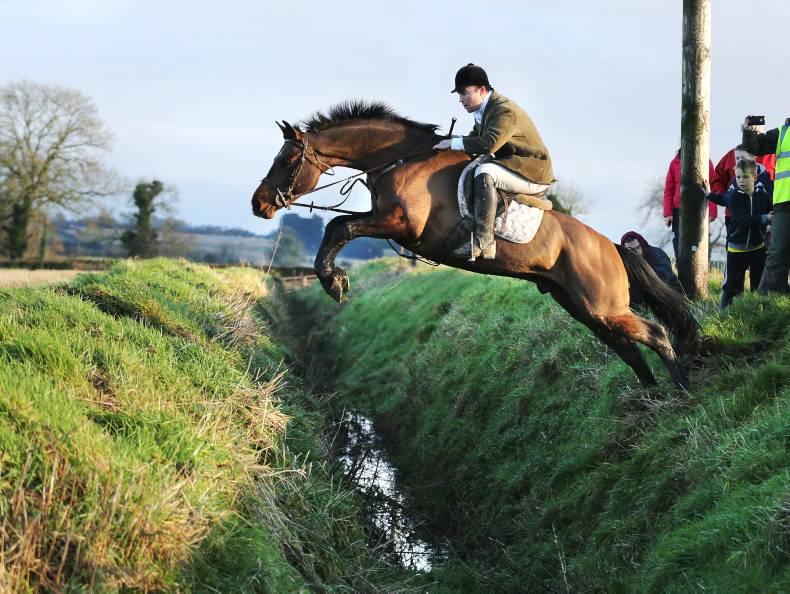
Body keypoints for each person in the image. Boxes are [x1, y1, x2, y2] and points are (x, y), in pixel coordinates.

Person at [433, 63, 555, 260]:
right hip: (515, 166)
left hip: (533, 174)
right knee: (477, 166)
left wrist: (454, 143)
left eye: (464, 93)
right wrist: (450, 142)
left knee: (485, 171)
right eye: (459, 95)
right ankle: (470, 221)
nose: (461, 99)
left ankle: (484, 241)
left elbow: (489, 144)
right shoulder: (484, 110)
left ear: (482, 90)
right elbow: (473, 140)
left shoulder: (503, 110)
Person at [703, 158, 772, 309]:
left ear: (754, 177)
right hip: (737, 249)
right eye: (738, 177)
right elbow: (743, 219)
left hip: (757, 248)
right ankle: (723, 313)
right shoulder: (735, 197)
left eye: (745, 177)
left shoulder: (763, 196)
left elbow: (772, 210)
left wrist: (770, 224)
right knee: (732, 286)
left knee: (758, 285)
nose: (741, 180)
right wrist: (764, 218)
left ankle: (756, 313)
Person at [742, 116, 790, 293]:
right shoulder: (783, 133)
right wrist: (749, 132)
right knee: (777, 253)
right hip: (784, 204)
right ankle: (767, 300)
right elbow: (755, 147)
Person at [663, 149, 718, 260]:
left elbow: (712, 188)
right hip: (678, 210)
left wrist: (712, 212)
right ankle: (680, 266)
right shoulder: (674, 163)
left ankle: (697, 267)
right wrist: (667, 213)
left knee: (697, 243)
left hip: (698, 211)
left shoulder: (706, 162)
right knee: (677, 242)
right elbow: (669, 189)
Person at [620, 231, 682, 305]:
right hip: (647, 295)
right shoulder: (627, 261)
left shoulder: (657, 255)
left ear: (642, 245)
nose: (635, 252)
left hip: (670, 294)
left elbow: (662, 281)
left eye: (638, 247)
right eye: (630, 250)